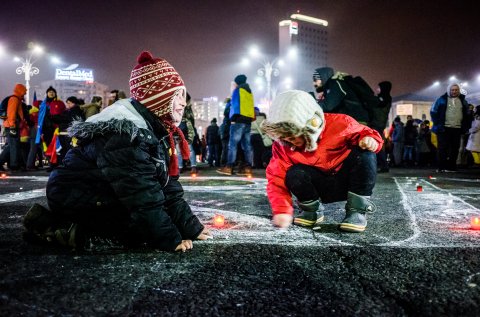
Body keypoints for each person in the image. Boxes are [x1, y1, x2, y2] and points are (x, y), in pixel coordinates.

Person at [23, 51, 212, 252]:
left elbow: (166, 186)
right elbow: (141, 194)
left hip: (96, 193)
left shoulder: (151, 128)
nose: (183, 102)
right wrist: (169, 239)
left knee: (147, 222)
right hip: (76, 197)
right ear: (156, 98)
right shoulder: (126, 134)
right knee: (137, 232)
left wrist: (191, 228)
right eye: (177, 95)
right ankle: (56, 228)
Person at [261, 90, 383, 232]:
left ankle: (357, 210)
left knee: (365, 154)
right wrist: (281, 210)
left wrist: (370, 140)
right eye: (285, 138)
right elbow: (276, 178)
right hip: (320, 188)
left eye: (294, 136)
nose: (290, 142)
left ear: (312, 124)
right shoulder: (282, 146)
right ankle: (311, 210)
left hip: (348, 183)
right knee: (293, 173)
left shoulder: (341, 123)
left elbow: (365, 133)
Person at [217, 74, 255, 176]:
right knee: (247, 145)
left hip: (238, 120)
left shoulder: (238, 90)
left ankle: (229, 167)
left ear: (237, 82)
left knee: (232, 145)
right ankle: (248, 168)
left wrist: (233, 118)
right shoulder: (249, 91)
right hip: (247, 121)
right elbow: (252, 107)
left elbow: (235, 105)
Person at [430, 83, 470, 172]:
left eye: (456, 90)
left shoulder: (463, 101)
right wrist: (437, 124)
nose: (454, 91)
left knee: (455, 148)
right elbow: (433, 111)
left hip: (457, 128)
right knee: (442, 148)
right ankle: (441, 167)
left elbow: (467, 114)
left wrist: (466, 126)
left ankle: (451, 167)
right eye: (452, 90)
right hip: (443, 128)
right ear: (449, 90)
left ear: (459, 90)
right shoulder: (441, 100)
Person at [1, 83, 27, 171]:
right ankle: (14, 165)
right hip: (12, 126)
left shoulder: (17, 99)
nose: (25, 93)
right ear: (20, 90)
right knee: (13, 146)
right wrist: (12, 126)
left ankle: (10, 163)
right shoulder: (14, 99)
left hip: (13, 125)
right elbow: (11, 113)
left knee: (12, 145)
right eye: (24, 91)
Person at [374, 81, 392, 172]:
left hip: (378, 123)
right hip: (379, 123)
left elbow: (377, 106)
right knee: (377, 145)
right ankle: (383, 165)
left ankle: (384, 166)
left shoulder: (385, 98)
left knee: (378, 145)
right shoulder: (385, 98)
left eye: (379, 87)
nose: (377, 89)